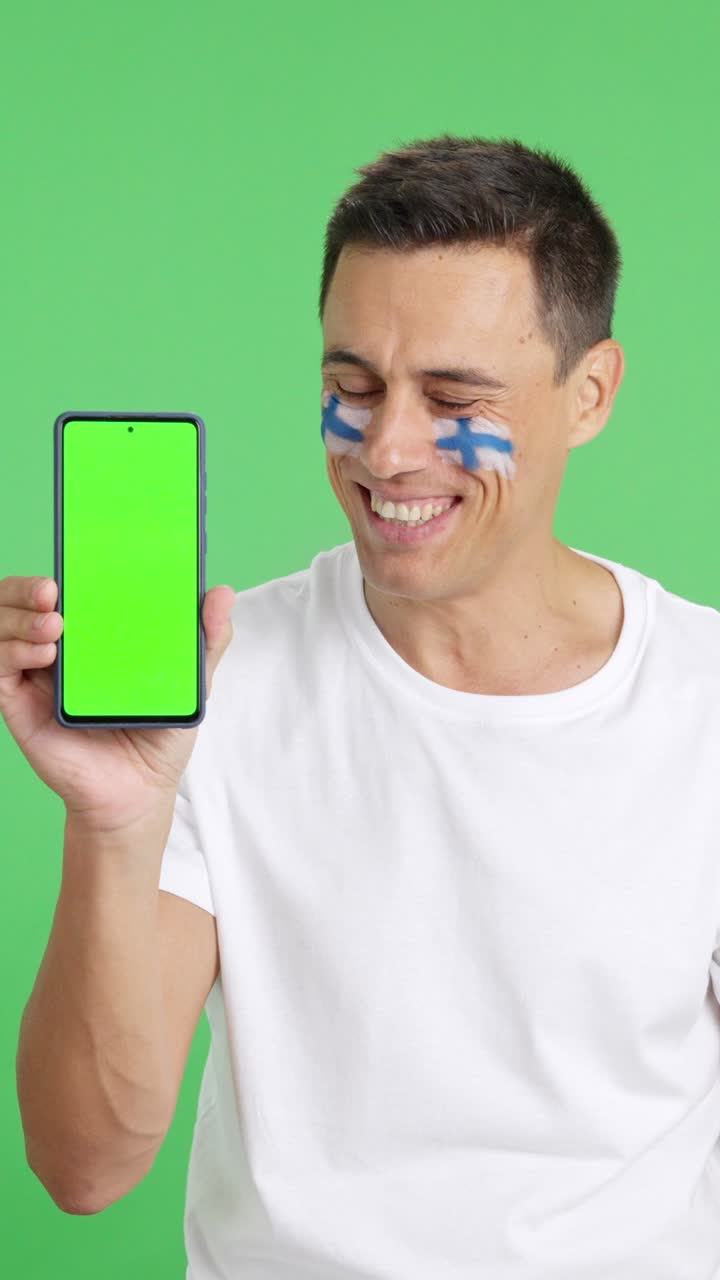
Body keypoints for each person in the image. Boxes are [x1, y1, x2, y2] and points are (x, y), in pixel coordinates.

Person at [8, 134, 720, 1278]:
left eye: (454, 397)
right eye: (353, 387)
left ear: (589, 393)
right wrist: (113, 820)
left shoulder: (702, 700)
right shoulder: (213, 693)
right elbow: (84, 1165)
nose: (387, 449)